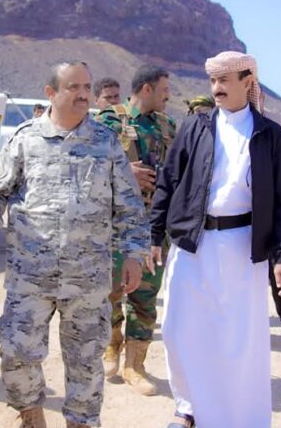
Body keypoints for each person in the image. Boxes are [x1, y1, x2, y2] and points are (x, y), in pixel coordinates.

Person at [0, 61, 149, 428]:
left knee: (86, 362)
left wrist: (134, 252)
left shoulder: (105, 142)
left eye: (86, 87)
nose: (83, 94)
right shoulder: (25, 139)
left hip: (87, 280)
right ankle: (31, 416)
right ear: (51, 93)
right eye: (74, 87)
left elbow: (129, 205)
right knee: (16, 353)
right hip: (30, 277)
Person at [151, 51, 281, 428]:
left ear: (247, 82)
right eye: (213, 81)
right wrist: (153, 233)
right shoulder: (196, 126)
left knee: (238, 339)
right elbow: (168, 181)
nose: (216, 88)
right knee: (179, 329)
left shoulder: (269, 134)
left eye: (224, 81)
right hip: (193, 242)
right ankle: (188, 408)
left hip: (243, 246)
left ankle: (241, 418)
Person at [94, 65, 175, 396]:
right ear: (146, 89)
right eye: (164, 89)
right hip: (115, 226)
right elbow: (85, 166)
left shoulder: (167, 126)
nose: (169, 95)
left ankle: (135, 366)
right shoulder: (108, 122)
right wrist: (124, 171)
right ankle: (111, 345)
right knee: (110, 292)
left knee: (145, 296)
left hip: (153, 227)